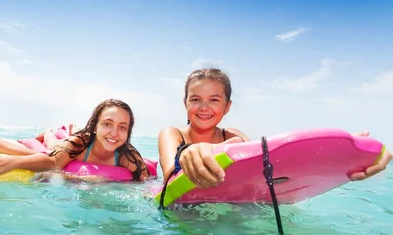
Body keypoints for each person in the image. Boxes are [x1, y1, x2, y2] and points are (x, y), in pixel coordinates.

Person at [158, 67, 392, 188]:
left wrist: (343, 155)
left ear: (227, 107)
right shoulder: (173, 133)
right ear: (185, 103)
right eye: (195, 99)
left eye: (214, 100)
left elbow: (263, 165)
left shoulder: (234, 136)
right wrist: (190, 152)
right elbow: (170, 174)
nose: (204, 107)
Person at [0, 99, 151, 181]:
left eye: (122, 127)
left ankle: (68, 129)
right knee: (51, 145)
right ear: (95, 126)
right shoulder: (81, 143)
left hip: (75, 145)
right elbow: (52, 162)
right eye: (107, 124)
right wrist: (10, 162)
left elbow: (146, 180)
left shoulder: (128, 156)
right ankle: (49, 132)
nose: (114, 133)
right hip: (68, 145)